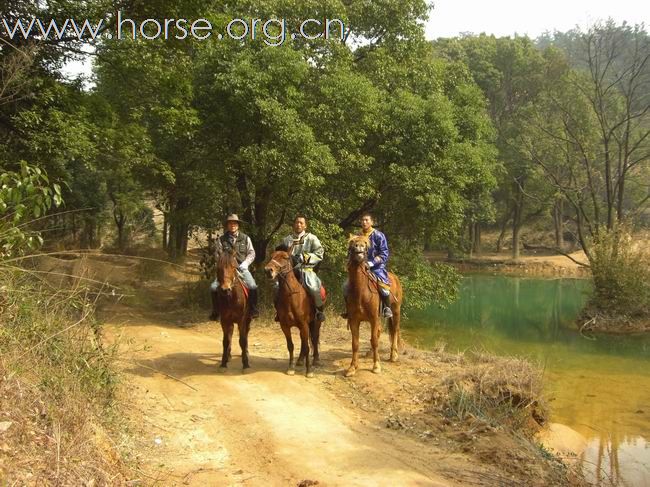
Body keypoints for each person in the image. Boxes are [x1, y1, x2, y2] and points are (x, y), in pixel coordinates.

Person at [342, 213, 393, 318]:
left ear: (372, 222)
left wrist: (372, 262)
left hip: (376, 267)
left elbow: (384, 253)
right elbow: (350, 252)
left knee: (384, 288)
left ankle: (386, 308)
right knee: (345, 287)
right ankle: (349, 310)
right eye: (362, 220)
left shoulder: (378, 235)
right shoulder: (356, 236)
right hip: (359, 267)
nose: (364, 222)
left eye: (366, 220)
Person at [209, 214, 259, 320]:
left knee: (253, 285)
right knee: (213, 287)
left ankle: (253, 310)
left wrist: (245, 264)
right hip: (226, 271)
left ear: (238, 225)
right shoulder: (221, 240)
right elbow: (217, 255)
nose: (233, 225)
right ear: (227, 225)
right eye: (230, 223)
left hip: (242, 268)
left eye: (235, 223)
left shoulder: (245, 238)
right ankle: (216, 311)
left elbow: (252, 253)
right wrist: (223, 265)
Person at [277, 215, 326, 322]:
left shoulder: (312, 238)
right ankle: (279, 312)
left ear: (305, 226)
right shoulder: (286, 240)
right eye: (296, 222)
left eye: (301, 223)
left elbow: (319, 253)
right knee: (277, 287)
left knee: (313, 287)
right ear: (293, 225)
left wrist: (304, 257)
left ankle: (319, 311)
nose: (298, 225)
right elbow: (280, 254)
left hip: (306, 269)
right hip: (289, 270)